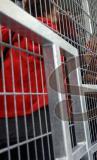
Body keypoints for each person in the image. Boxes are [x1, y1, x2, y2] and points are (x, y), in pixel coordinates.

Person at [0, 0, 57, 159]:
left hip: (5, 115)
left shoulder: (10, 31)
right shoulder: (49, 32)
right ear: (49, 11)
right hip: (37, 119)